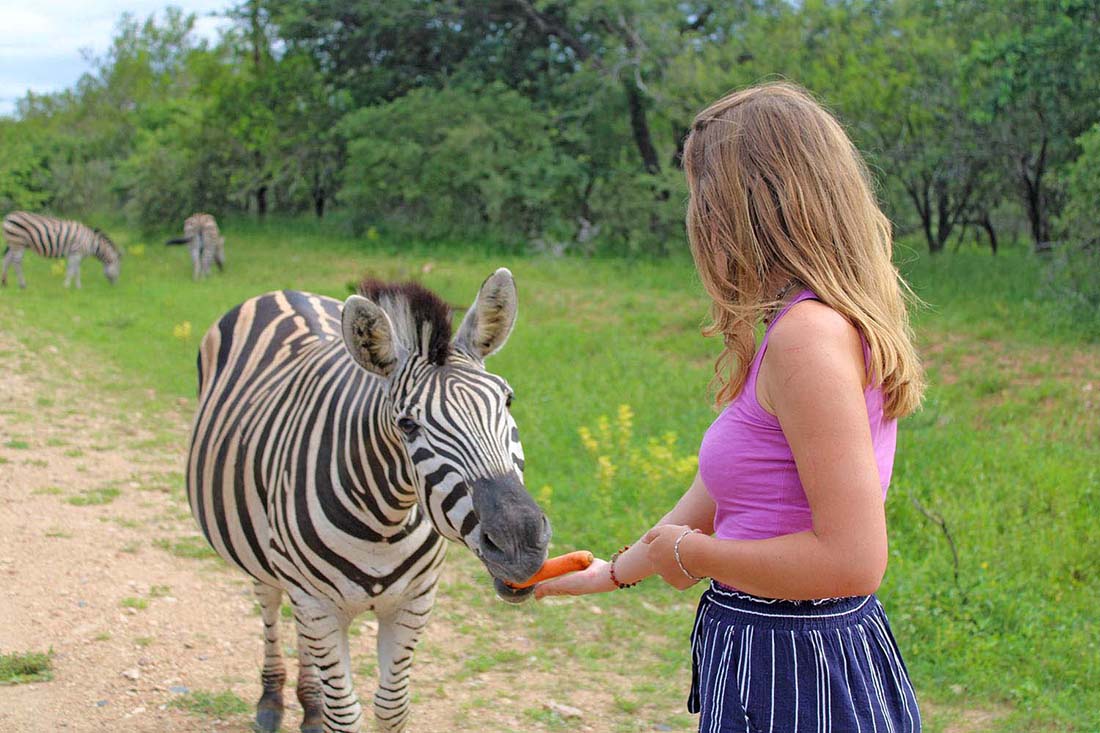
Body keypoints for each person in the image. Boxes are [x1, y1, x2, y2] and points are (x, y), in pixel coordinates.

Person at [536, 82, 925, 733]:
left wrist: (697, 554)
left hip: (801, 664)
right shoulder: (788, 329)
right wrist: (613, 572)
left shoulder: (807, 338)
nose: (696, 217)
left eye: (703, 195)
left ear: (749, 205)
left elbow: (854, 559)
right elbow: (721, 497)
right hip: (771, 650)